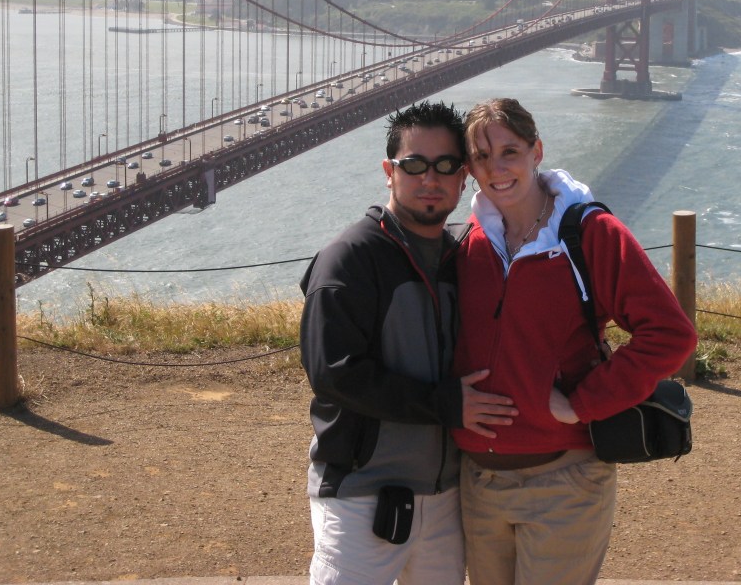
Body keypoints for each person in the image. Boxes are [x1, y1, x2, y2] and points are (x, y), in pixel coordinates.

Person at [451, 97, 698, 585]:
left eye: (510, 151)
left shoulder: (588, 232)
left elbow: (671, 334)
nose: (496, 168)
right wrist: (449, 397)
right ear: (470, 169)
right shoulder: (467, 244)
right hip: (479, 482)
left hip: (563, 481)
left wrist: (583, 404)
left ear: (537, 151)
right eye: (481, 157)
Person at [299, 100, 517, 585]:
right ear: (389, 172)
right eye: (414, 165)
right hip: (361, 493)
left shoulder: (465, 256)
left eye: (446, 165)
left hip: (447, 495)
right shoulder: (350, 259)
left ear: (464, 177)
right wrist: (446, 404)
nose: (430, 179)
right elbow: (334, 374)